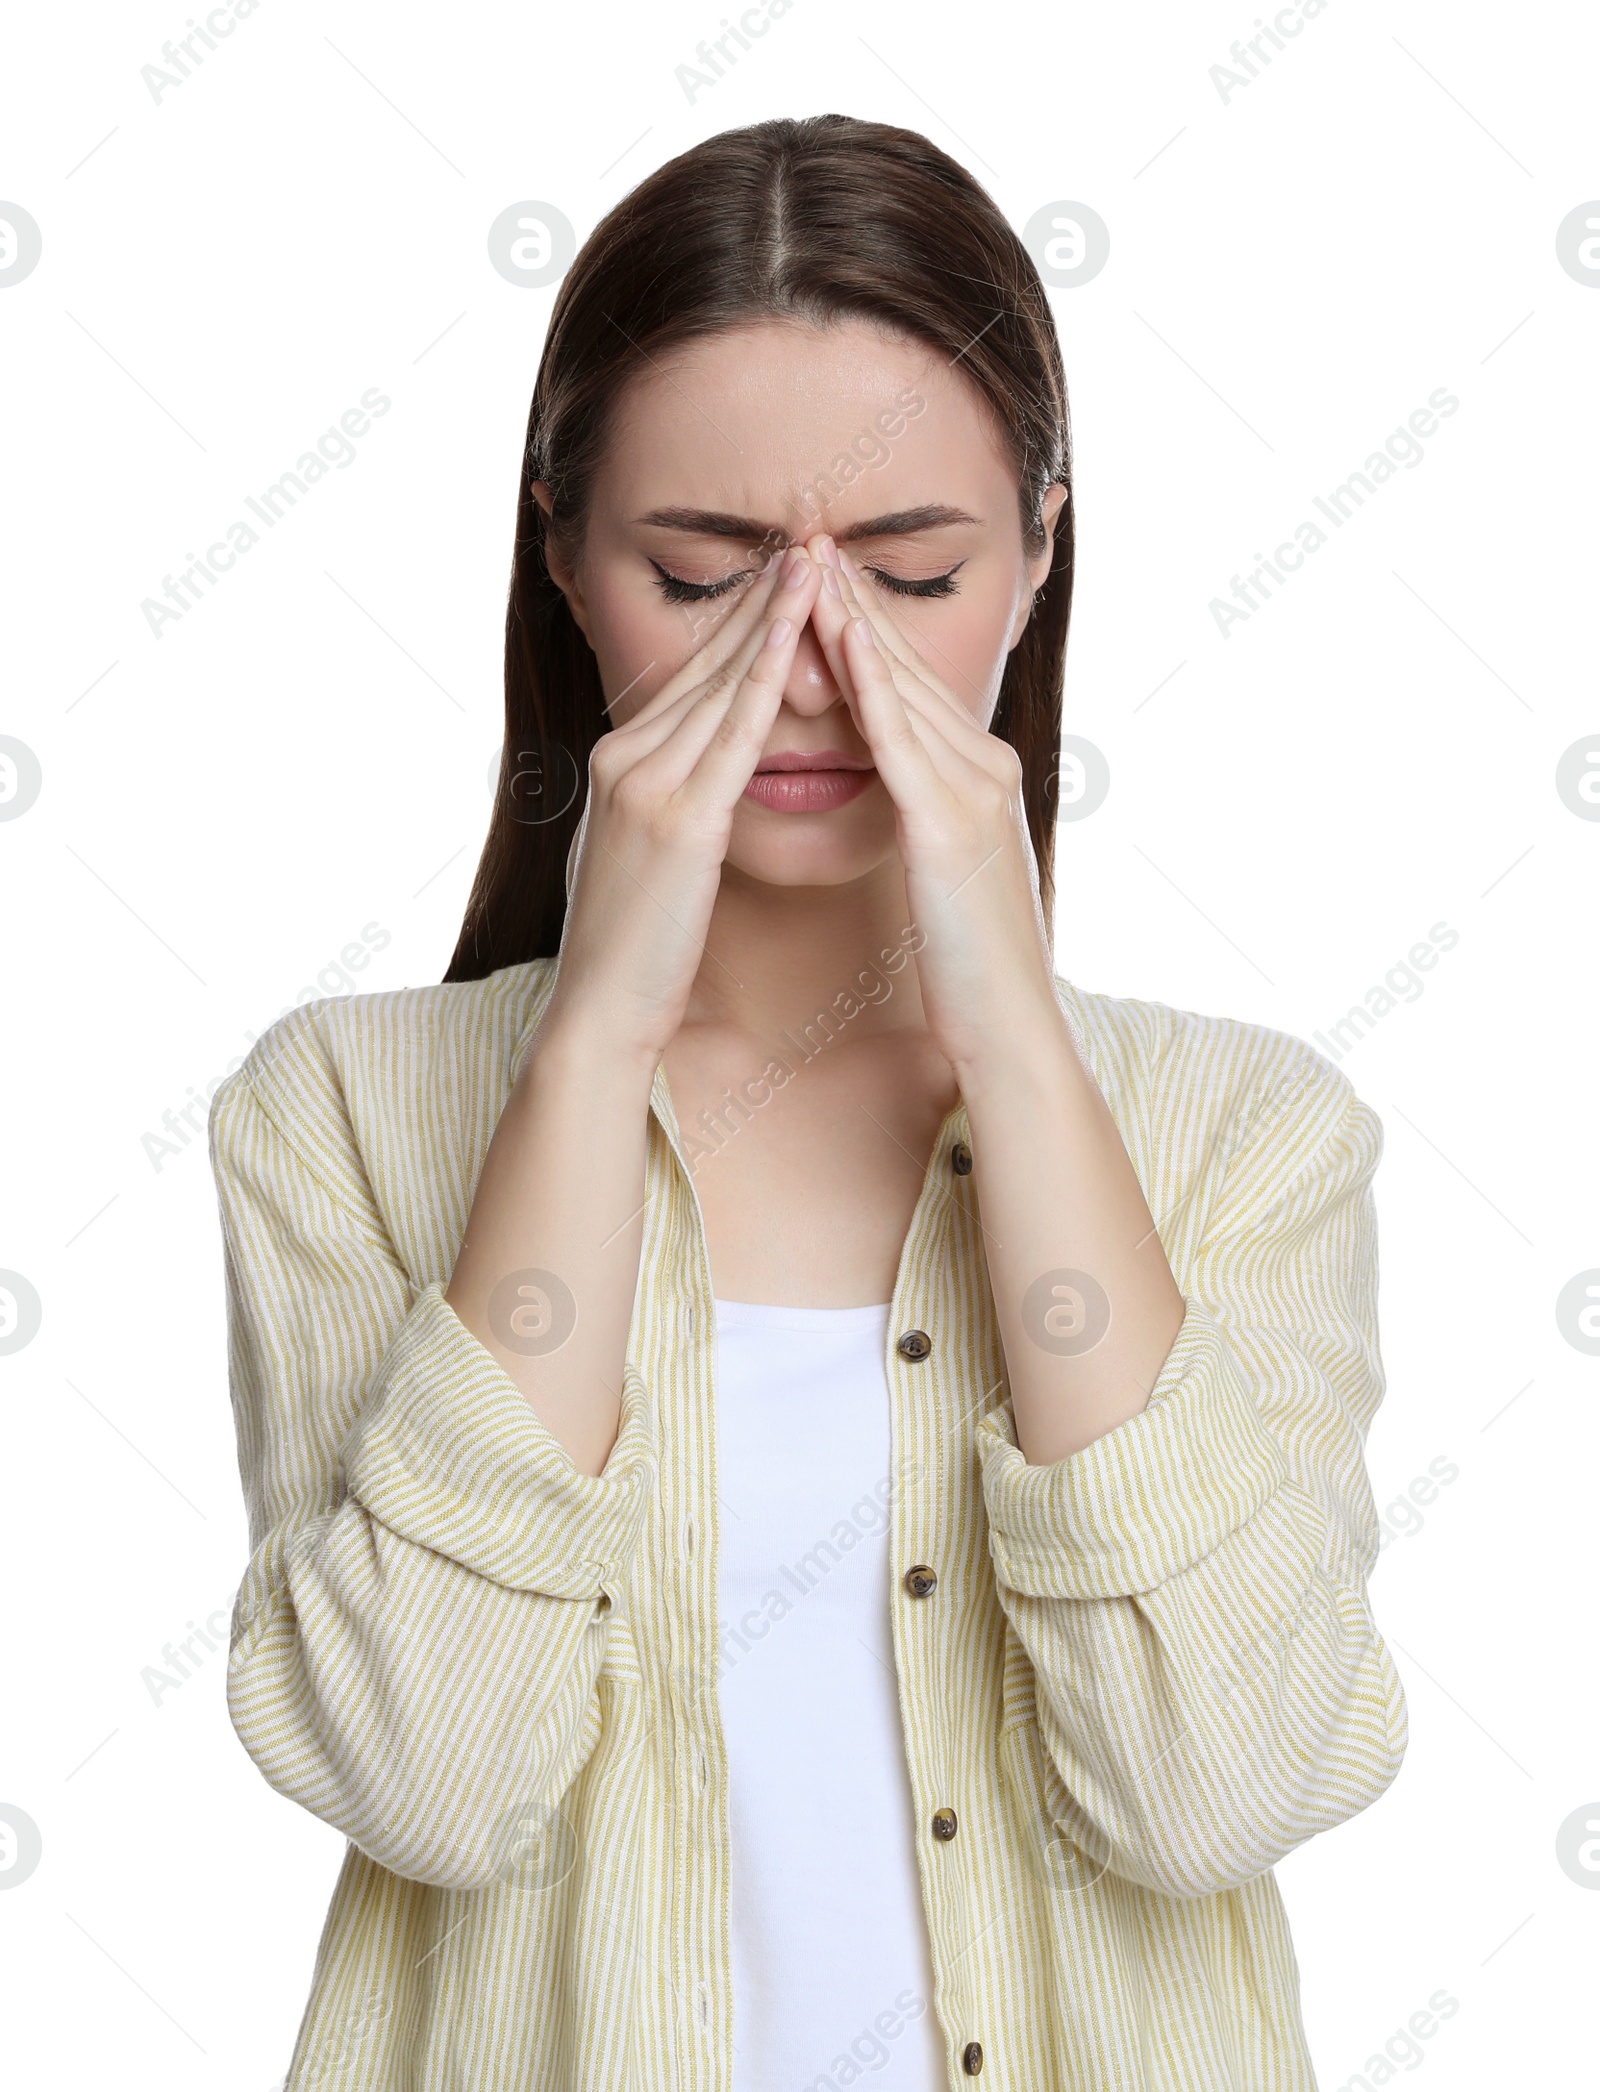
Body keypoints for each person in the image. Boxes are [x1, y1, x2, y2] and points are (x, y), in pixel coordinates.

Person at [211, 113, 1406, 2092]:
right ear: (565, 556)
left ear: (1033, 553)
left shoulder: (1242, 1135)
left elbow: (1213, 1787)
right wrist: (592, 1037)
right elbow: (425, 1775)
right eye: (700, 575)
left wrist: (1011, 1031)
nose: (807, 668)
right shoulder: (342, 1111)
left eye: (911, 572)